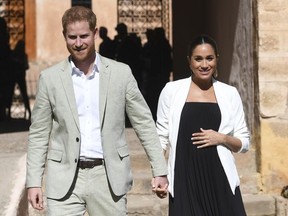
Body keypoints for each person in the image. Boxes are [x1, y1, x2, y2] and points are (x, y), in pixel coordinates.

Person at [26, 6, 168, 216]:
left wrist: (159, 169)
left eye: (84, 36)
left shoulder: (121, 73)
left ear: (95, 33)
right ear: (64, 36)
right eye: (72, 37)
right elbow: (38, 133)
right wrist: (34, 182)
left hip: (108, 177)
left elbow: (144, 122)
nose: (78, 43)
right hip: (64, 179)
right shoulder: (50, 78)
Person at [156, 34, 250, 215]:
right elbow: (160, 137)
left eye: (209, 58)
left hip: (220, 179)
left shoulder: (229, 93)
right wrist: (159, 174)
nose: (204, 65)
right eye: (198, 59)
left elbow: (244, 143)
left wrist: (221, 138)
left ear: (216, 60)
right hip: (184, 179)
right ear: (189, 61)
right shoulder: (171, 91)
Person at [10, 40, 31, 119]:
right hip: (16, 77)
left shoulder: (21, 55)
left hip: (18, 76)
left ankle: (28, 112)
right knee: (11, 94)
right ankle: (8, 113)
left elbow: (26, 66)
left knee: (23, 95)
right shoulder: (16, 54)